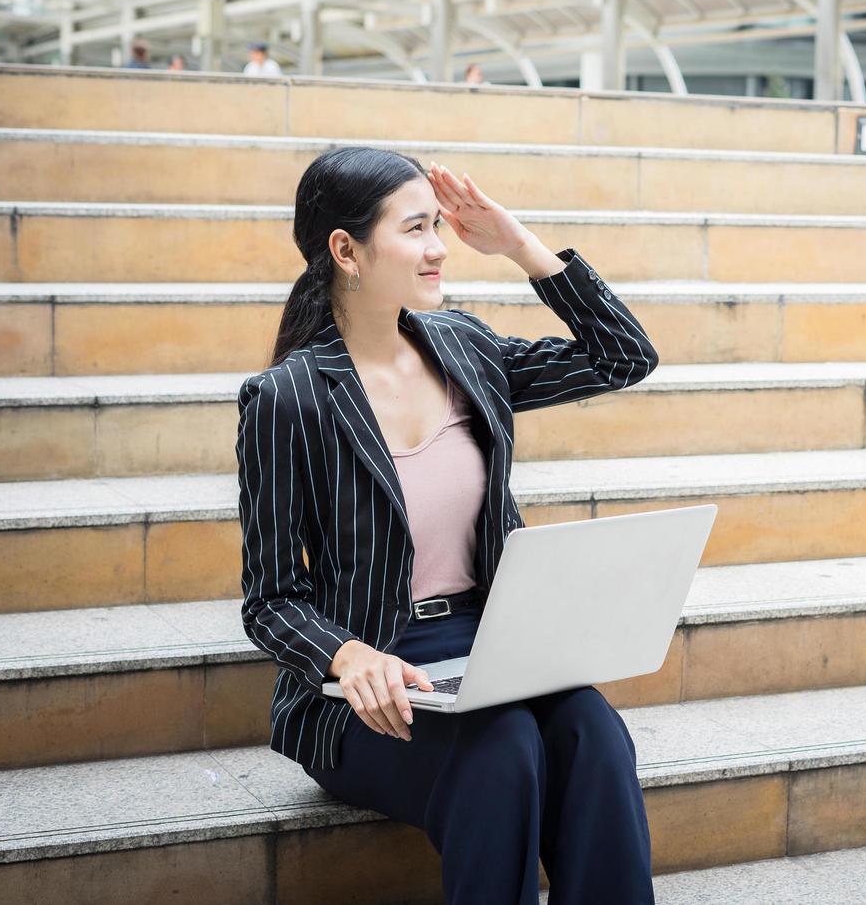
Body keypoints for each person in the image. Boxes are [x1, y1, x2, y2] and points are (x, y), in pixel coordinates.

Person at [235, 146, 660, 904]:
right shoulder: (287, 398)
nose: (439, 247)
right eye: (416, 228)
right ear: (346, 250)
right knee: (502, 748)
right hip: (374, 683)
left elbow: (623, 357)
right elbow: (269, 600)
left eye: (439, 225)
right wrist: (347, 655)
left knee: (593, 738)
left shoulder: (464, 346)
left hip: (497, 647)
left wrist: (521, 247)